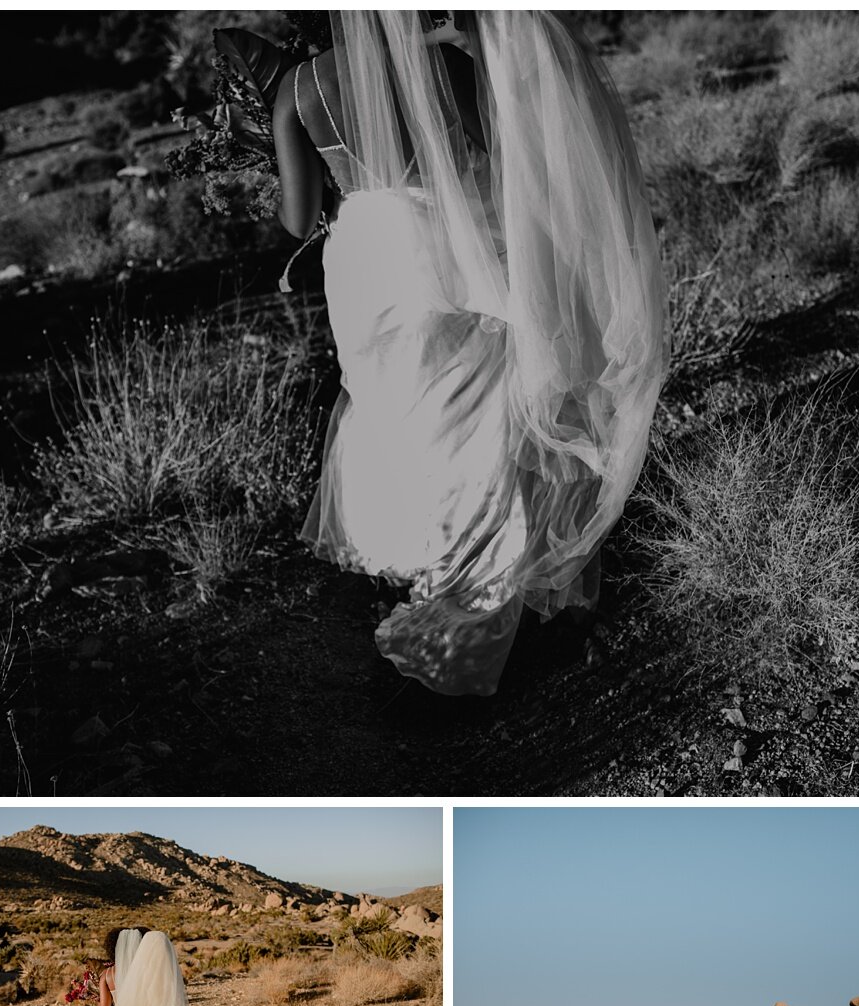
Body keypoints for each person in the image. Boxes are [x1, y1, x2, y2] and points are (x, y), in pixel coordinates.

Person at [270, 11, 668, 697]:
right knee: (481, 406)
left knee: (402, 409)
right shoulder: (443, 62)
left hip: (370, 262)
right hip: (459, 244)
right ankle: (488, 562)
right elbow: (496, 155)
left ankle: (433, 551)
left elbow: (298, 220)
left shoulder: (298, 87)